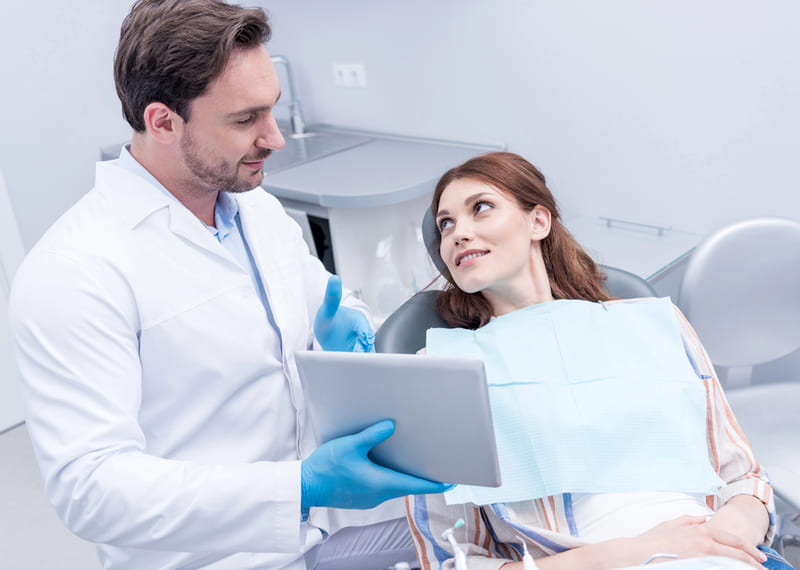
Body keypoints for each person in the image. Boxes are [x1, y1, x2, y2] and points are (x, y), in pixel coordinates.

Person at [8, 1, 449, 568]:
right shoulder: (76, 273)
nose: (275, 138)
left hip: (325, 534)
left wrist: (353, 331)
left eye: (272, 111)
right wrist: (298, 487)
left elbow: (328, 300)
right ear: (163, 122)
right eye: (246, 120)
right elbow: (91, 489)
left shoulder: (256, 210)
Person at [406, 152, 793, 570]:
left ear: (539, 221)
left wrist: (720, 541)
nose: (458, 233)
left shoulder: (655, 327)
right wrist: (641, 550)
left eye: (480, 208)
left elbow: (745, 479)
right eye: (446, 224)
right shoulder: (441, 371)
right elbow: (452, 562)